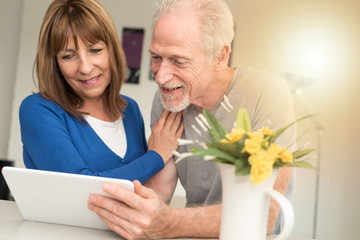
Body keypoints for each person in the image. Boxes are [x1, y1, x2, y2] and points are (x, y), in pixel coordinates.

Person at [88, 0, 297, 238]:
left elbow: (264, 215)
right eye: (156, 57)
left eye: (178, 60)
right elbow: (158, 190)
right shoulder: (167, 99)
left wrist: (171, 223)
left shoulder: (266, 93)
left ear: (220, 56)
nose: (161, 77)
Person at [19, 0, 184, 199]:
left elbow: (142, 191)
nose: (85, 67)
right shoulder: (38, 110)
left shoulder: (129, 109)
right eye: (68, 56)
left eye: (95, 50)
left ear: (111, 50)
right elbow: (80, 189)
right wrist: (156, 156)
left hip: (125, 231)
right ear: (55, 63)